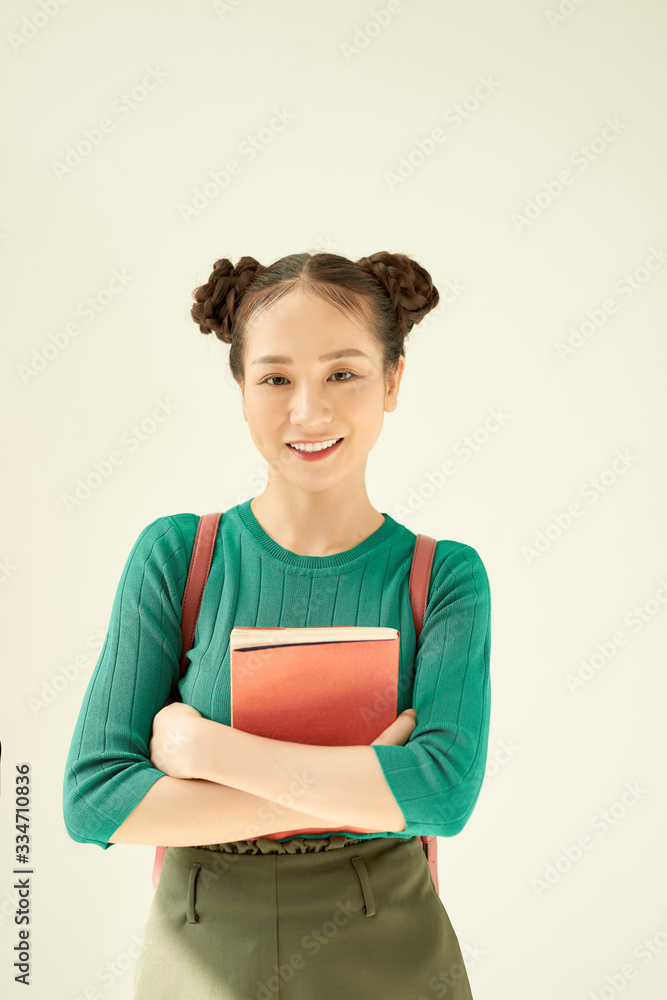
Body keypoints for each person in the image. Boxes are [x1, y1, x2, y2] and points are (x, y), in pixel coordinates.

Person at [62, 250, 492, 999]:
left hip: (390, 950)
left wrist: (206, 748)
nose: (308, 411)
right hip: (201, 949)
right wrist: (362, 786)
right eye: (275, 378)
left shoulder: (443, 576)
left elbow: (442, 794)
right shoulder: (177, 557)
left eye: (342, 373)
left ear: (392, 380)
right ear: (240, 388)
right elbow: (95, 800)